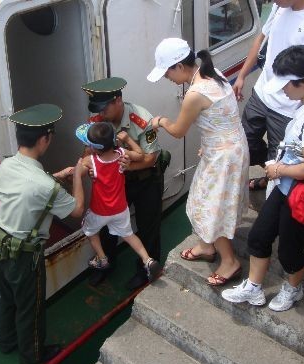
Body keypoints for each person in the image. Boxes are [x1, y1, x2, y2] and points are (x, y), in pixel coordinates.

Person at [222, 45, 304, 311]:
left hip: (301, 194)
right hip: (286, 189)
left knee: (289, 251)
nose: (283, 90)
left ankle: (294, 288)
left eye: (287, 85)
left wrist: (278, 170)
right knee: (259, 236)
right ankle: (254, 288)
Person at [147, 38, 249, 286]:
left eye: (167, 72)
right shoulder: (211, 72)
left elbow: (178, 130)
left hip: (224, 156)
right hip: (229, 146)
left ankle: (229, 262)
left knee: (212, 207)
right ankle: (206, 246)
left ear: (180, 67)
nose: (166, 77)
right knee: (204, 198)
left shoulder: (195, 93)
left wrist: (159, 121)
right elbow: (221, 114)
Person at [0, 104, 86, 364]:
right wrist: (77, 175)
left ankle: (7, 341)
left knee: (8, 298)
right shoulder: (44, 184)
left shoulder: (6, 164)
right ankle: (32, 356)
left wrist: (57, 177)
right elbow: (77, 210)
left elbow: (30, 185)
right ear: (44, 139)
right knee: (30, 308)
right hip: (24, 257)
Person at [232, 0, 304, 193]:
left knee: (283, 161)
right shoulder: (280, 7)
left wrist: (302, 112)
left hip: (288, 108)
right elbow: (260, 39)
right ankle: (269, 170)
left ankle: (273, 192)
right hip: (262, 94)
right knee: (245, 143)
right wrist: (242, 75)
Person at [82, 77, 166, 290]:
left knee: (148, 227)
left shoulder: (141, 120)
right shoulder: (97, 121)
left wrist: (122, 167)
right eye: (98, 109)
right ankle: (105, 264)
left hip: (146, 179)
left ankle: (145, 269)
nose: (100, 113)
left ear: (118, 100)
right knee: (106, 225)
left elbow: (151, 158)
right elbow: (88, 150)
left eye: (104, 107)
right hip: (117, 182)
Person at [75, 122, 161, 281]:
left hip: (100, 211)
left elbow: (77, 170)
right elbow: (140, 154)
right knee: (129, 235)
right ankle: (147, 260)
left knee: (90, 231)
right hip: (120, 209)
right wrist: (128, 139)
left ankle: (102, 259)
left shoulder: (89, 161)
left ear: (94, 147)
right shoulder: (122, 154)